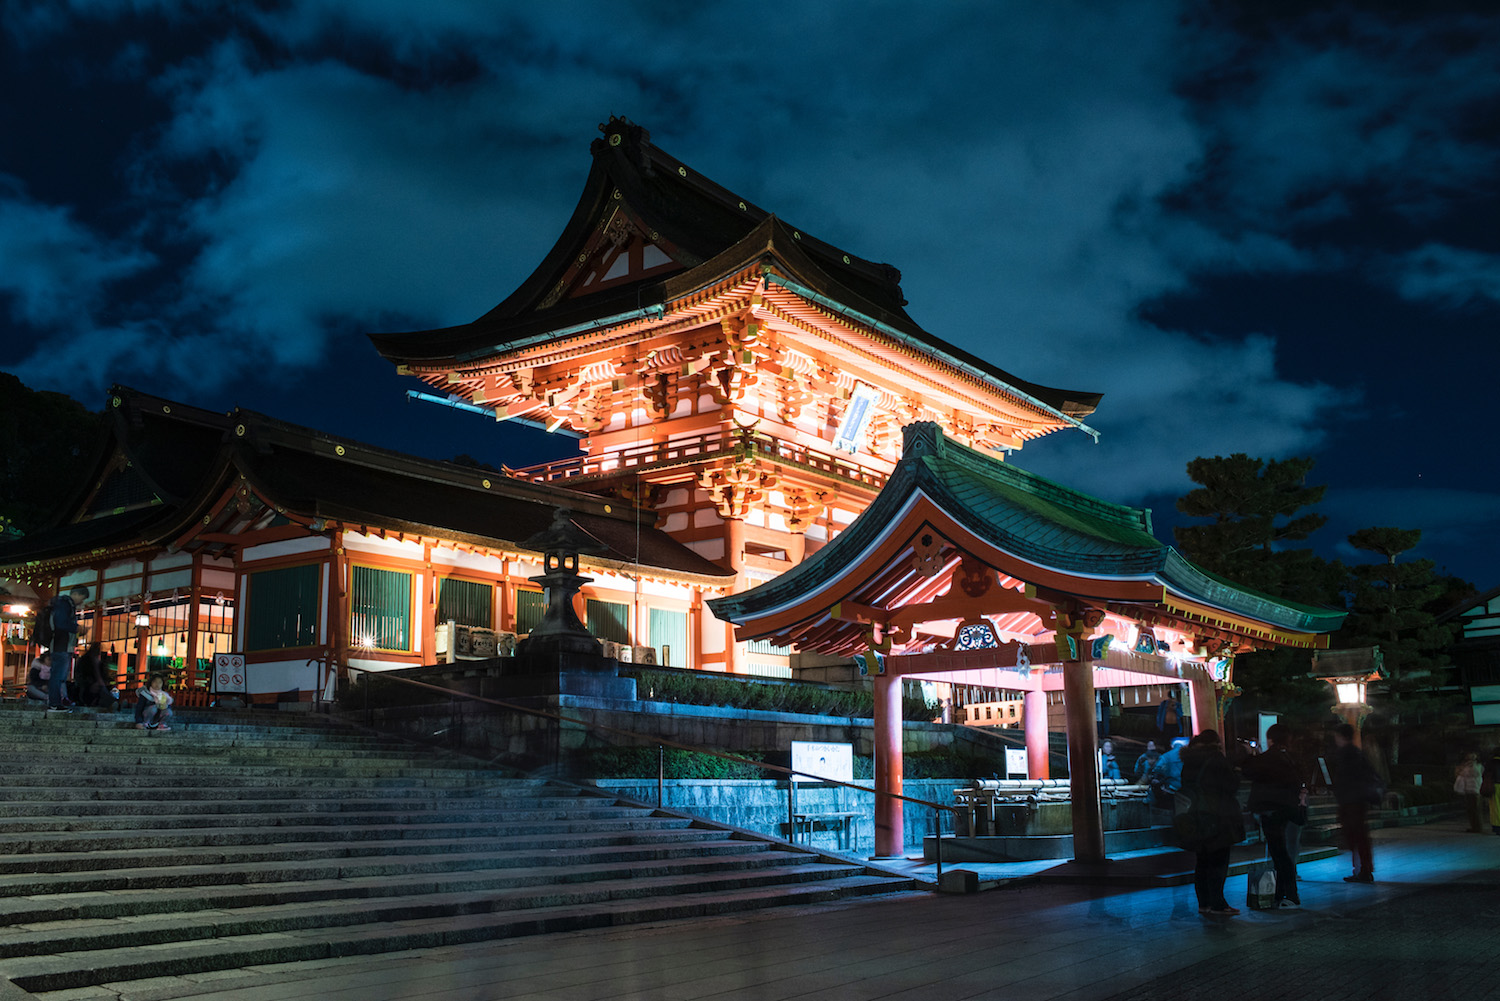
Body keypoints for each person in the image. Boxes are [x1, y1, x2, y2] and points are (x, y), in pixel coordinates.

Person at [1178, 729, 1245, 916]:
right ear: (1216, 743)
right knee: (1219, 860)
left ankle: (1204, 903)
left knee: (1202, 861)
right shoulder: (1216, 760)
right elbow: (1231, 786)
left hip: (1195, 817)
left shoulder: (1188, 761)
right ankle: (1218, 904)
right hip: (1218, 816)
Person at [1241, 723, 1305, 907]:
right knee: (1283, 853)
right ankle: (1285, 893)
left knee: (1279, 854)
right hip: (1288, 809)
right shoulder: (1291, 757)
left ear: (1270, 740)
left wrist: (1250, 755)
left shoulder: (1269, 758)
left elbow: (1250, 772)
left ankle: (1287, 894)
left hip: (1271, 810)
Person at [1331, 722, 1380, 882]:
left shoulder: (1347, 754)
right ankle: (1363, 869)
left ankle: (1363, 870)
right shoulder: (1358, 753)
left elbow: (1345, 779)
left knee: (1356, 835)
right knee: (1360, 835)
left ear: (1341, 737)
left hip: (1351, 801)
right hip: (1357, 800)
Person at [47, 585, 90, 710]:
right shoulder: (65, 604)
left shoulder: (62, 604)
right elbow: (60, 623)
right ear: (76, 594)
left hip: (61, 645)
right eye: (82, 598)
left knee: (59, 675)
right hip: (61, 645)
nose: (81, 602)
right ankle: (54, 703)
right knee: (58, 675)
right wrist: (76, 628)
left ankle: (56, 702)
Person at [1149, 737, 1190, 808]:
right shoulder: (1190, 756)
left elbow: (1157, 772)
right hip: (1187, 793)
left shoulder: (1165, 757)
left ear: (1172, 745)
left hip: (1170, 793)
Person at [1454, 752, 1484, 834]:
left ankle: (1476, 828)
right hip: (1475, 790)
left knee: (1473, 810)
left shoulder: (1471, 767)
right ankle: (1476, 827)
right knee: (1474, 810)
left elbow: (1463, 773)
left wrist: (1462, 769)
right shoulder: (1478, 766)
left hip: (1472, 790)